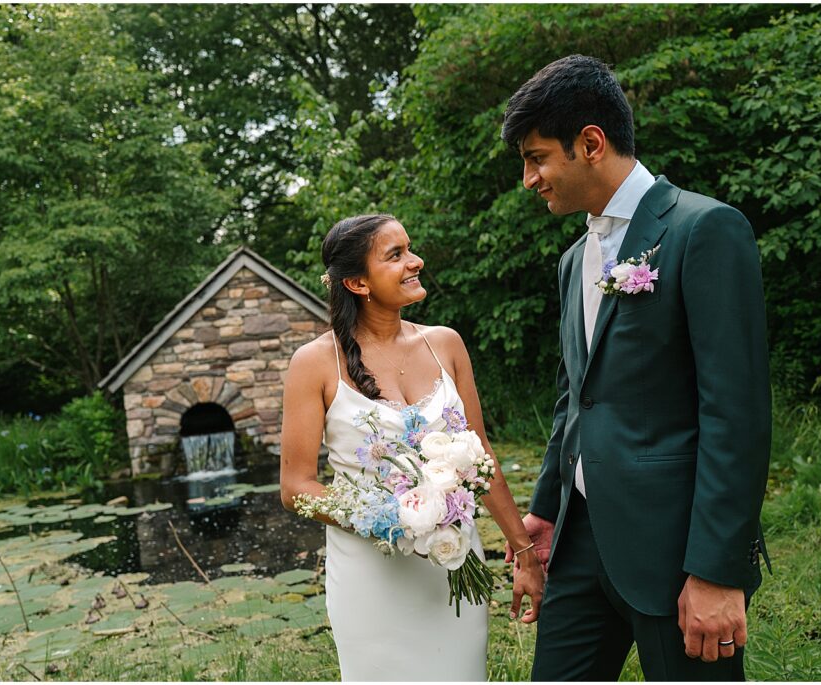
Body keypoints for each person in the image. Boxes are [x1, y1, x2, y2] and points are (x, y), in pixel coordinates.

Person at [499, 55, 772, 681]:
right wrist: (546, 510)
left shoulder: (704, 230)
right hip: (579, 544)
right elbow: (575, 402)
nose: (529, 178)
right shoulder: (573, 263)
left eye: (537, 157)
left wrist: (716, 571)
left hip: (676, 553)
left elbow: (736, 414)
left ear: (590, 143)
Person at [280, 214, 546, 681]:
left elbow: (480, 456)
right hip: (371, 576)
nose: (415, 261)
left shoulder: (446, 344)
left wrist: (524, 553)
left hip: (453, 561)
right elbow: (295, 486)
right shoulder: (315, 363)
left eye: (410, 249)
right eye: (396, 255)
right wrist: (393, 521)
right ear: (358, 282)